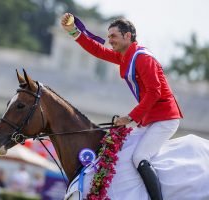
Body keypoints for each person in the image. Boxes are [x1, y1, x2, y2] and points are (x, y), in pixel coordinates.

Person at [61, 13, 183, 200]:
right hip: (151, 118)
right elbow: (98, 51)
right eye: (108, 36)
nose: (109, 41)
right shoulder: (127, 56)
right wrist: (74, 32)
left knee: (138, 157)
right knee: (125, 154)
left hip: (165, 119)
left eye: (113, 36)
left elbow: (154, 92)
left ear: (128, 36)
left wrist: (129, 118)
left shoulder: (142, 58)